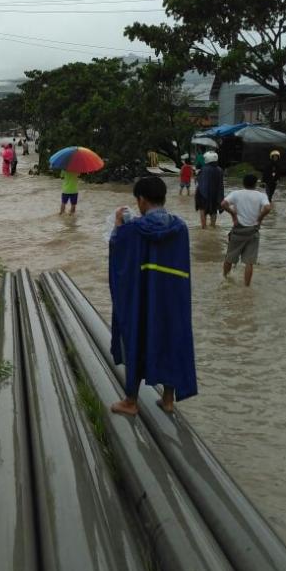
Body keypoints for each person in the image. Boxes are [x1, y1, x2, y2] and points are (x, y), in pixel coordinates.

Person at [108, 176, 197, 416]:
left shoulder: (133, 230)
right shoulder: (180, 228)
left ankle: (130, 401)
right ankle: (168, 400)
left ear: (141, 200)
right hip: (173, 299)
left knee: (137, 338)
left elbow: (118, 253)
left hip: (143, 298)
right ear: (163, 198)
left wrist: (118, 225)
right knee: (170, 339)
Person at [220, 173, 272, 287]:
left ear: (243, 183)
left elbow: (223, 204)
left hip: (238, 230)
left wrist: (233, 214)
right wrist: (260, 218)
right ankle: (247, 287)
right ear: (255, 184)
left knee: (229, 258)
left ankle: (225, 279)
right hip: (253, 230)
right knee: (249, 262)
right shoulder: (261, 195)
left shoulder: (236, 193)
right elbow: (268, 208)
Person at [194, 151, 224, 228]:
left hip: (202, 193)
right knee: (214, 210)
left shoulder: (204, 169)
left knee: (202, 209)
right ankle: (213, 226)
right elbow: (220, 185)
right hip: (215, 194)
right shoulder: (220, 170)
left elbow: (199, 182)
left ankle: (203, 227)